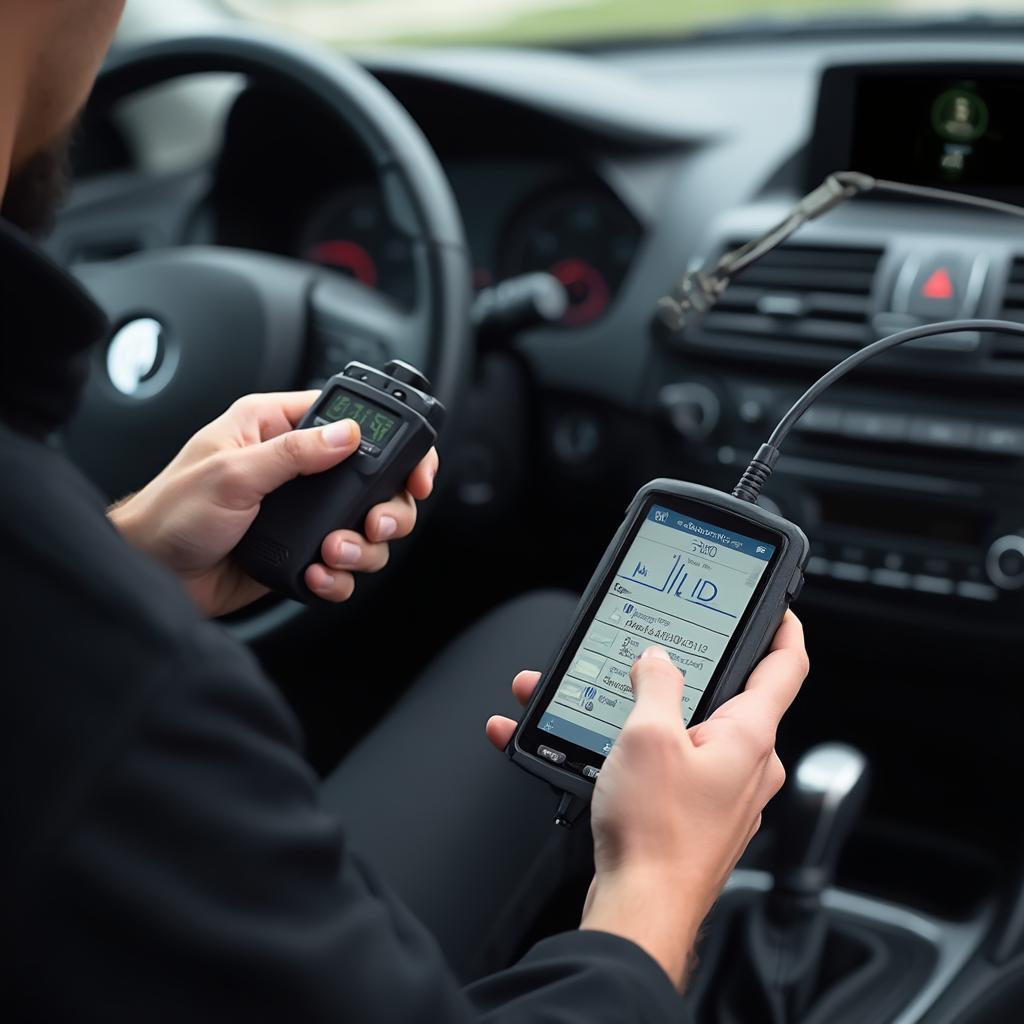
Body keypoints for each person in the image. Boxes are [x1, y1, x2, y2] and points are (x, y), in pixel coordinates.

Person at [0, 2, 810, 1020]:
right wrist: (660, 882)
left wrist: (125, 558)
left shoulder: (60, 600)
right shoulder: (123, 691)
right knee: (545, 630)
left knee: (544, 655)